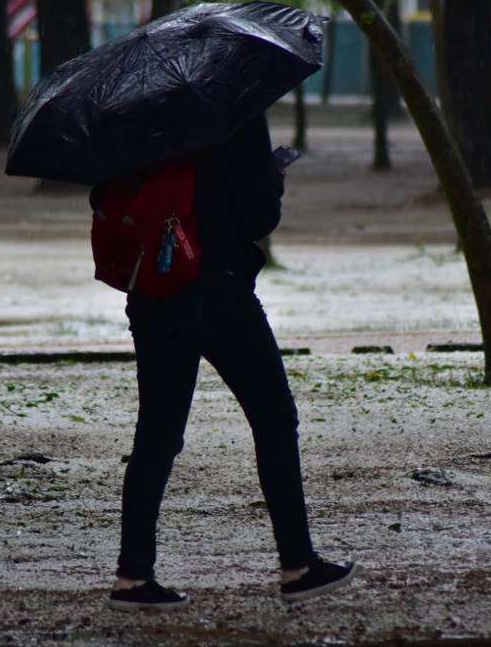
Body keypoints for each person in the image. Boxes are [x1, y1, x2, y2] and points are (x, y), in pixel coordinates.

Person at [94, 113, 359, 611]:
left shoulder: (133, 114)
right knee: (275, 419)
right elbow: (258, 217)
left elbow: (105, 197)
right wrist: (273, 177)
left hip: (152, 288)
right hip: (217, 288)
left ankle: (133, 577)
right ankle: (298, 565)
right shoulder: (232, 108)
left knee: (156, 435)